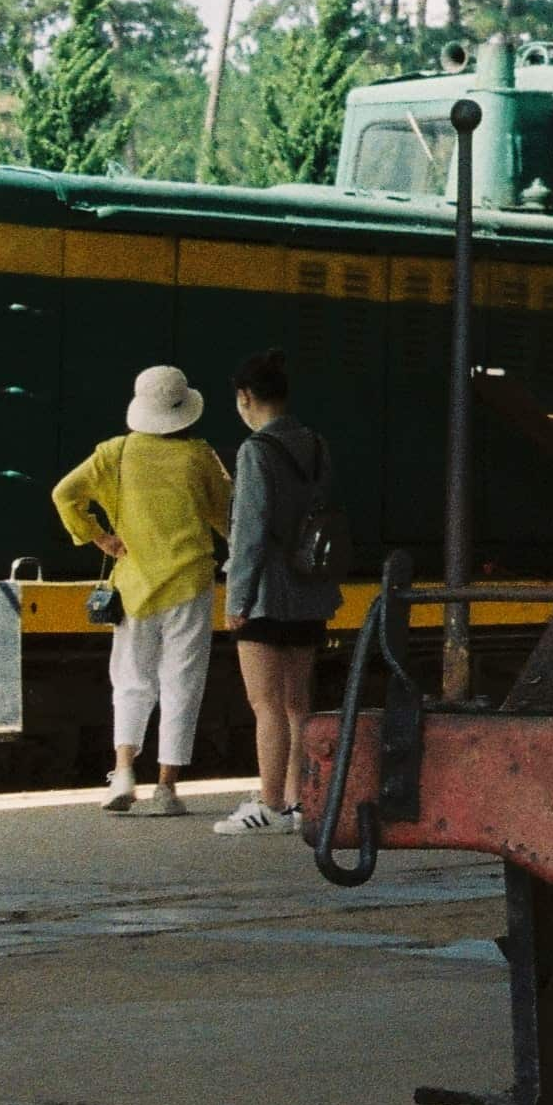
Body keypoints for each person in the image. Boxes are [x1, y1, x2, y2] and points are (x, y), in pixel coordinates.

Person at [51, 365, 233, 818]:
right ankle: (167, 788)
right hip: (190, 584)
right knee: (181, 683)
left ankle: (124, 772)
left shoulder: (114, 454)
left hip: (134, 587)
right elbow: (228, 516)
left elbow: (64, 494)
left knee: (132, 681)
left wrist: (100, 538)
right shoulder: (199, 457)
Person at [219, 352, 334, 835]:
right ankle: (297, 802)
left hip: (267, 594)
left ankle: (266, 804)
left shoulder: (255, 451)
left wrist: (236, 600)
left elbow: (248, 532)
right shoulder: (316, 444)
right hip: (310, 590)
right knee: (296, 703)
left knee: (265, 703)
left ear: (246, 398)